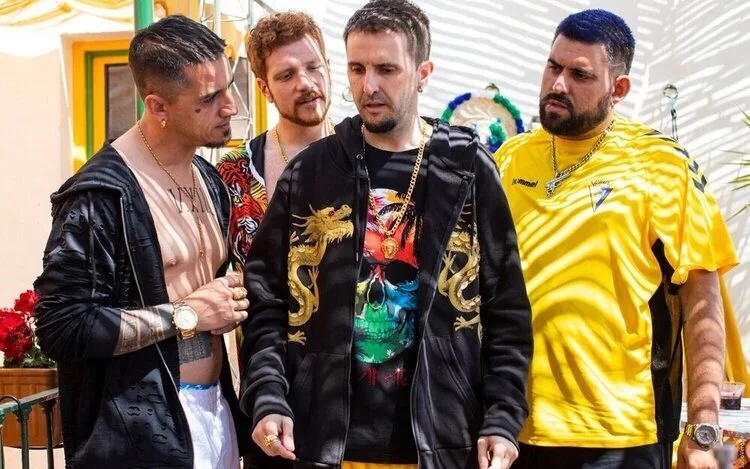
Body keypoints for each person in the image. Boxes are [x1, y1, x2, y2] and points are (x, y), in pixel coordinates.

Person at [239, 1, 533, 469]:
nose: (368, 86)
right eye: (357, 68)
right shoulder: (311, 172)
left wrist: (502, 418)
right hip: (323, 445)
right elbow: (267, 301)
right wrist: (268, 395)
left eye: (386, 69)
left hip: (442, 443)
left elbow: (506, 308)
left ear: (422, 73)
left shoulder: (464, 169)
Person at [493, 9, 739, 469]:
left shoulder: (662, 165)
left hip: (621, 436)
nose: (558, 84)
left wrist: (702, 431)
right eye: (553, 67)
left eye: (580, 74)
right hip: (512, 431)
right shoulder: (509, 158)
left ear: (619, 89)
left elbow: (702, 301)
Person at [34, 15, 251, 468]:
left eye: (228, 87)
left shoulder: (209, 178)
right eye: (209, 99)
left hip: (215, 414)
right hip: (140, 438)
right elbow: (62, 326)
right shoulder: (99, 195)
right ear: (158, 106)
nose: (231, 106)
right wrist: (188, 314)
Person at [217, 11, 334, 271]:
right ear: (264, 89)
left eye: (313, 67)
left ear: (328, 68)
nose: (305, 83)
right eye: (286, 75)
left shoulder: (365, 151)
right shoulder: (234, 173)